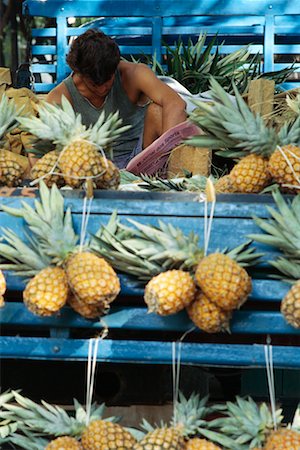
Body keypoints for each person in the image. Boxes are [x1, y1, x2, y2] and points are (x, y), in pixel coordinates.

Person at [46, 28, 187, 168]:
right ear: (79, 73)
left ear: (115, 66)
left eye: (108, 80)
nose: (102, 89)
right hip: (92, 166)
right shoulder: (60, 96)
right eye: (94, 84)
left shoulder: (135, 73)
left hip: (140, 157)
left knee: (157, 111)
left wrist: (165, 152)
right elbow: (45, 148)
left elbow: (175, 103)